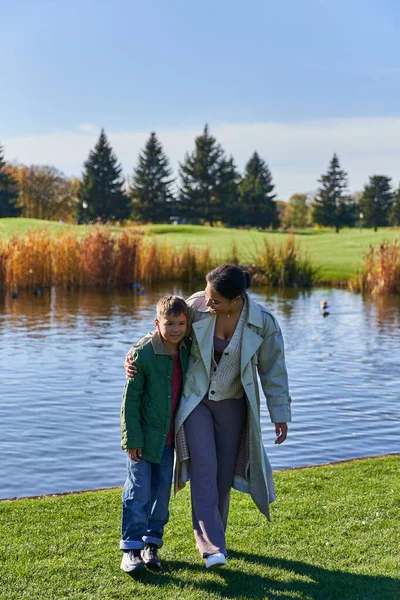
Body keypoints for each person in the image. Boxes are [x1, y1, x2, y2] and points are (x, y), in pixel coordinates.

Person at [125, 265, 291, 569]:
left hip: (234, 404)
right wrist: (136, 352)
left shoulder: (263, 322)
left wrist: (279, 414)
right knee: (204, 468)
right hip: (196, 400)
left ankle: (218, 537)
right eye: (207, 295)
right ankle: (211, 547)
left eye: (215, 300)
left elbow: (274, 370)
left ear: (236, 300)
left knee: (223, 477)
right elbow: (167, 330)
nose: (207, 302)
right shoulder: (198, 307)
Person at [120, 295, 191, 573]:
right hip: (142, 441)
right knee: (137, 492)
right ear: (157, 323)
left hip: (169, 441)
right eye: (169, 323)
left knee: (161, 495)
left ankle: (151, 545)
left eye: (181, 323)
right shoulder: (143, 355)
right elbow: (130, 403)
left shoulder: (187, 349)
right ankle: (131, 549)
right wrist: (132, 439)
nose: (175, 329)